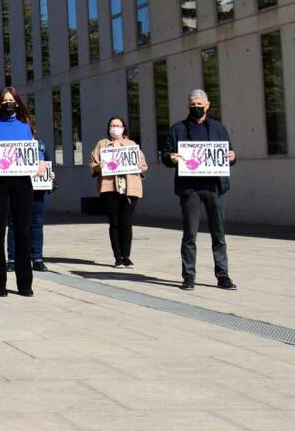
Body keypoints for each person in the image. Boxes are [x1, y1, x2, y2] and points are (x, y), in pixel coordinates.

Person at [160, 89, 237, 291]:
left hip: (215, 187)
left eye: (199, 104)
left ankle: (223, 275)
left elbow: (229, 153)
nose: (196, 107)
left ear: (207, 105)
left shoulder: (219, 128)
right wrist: (171, 158)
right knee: (189, 235)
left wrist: (232, 157)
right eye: (192, 104)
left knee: (218, 234)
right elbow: (165, 154)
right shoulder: (177, 129)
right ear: (188, 105)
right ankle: (188, 276)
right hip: (190, 188)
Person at [0, 87, 47, 297]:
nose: (8, 103)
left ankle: (25, 283)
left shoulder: (26, 128)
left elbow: (35, 151)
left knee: (22, 230)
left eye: (11, 100)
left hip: (22, 183)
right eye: (4, 100)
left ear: (17, 103)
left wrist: (40, 164)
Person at [89, 116, 148, 268]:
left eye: (118, 125)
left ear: (123, 128)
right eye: (112, 125)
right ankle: (118, 257)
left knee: (127, 224)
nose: (115, 128)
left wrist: (140, 166)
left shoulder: (131, 144)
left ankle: (126, 256)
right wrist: (98, 166)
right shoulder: (102, 144)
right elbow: (92, 164)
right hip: (109, 187)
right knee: (114, 223)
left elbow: (143, 165)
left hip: (130, 188)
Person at [8, 140, 53, 273]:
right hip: (17, 190)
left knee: (37, 224)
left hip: (37, 192)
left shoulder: (41, 146)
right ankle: (12, 260)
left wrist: (50, 174)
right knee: (13, 224)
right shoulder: (12, 145)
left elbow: (48, 163)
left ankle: (37, 259)